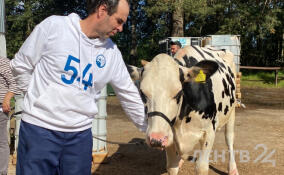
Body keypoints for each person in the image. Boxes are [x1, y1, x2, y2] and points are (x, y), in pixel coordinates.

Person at [10, 0, 146, 174]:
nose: (120, 28)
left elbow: (129, 94)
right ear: (102, 10)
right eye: (119, 21)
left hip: (79, 139)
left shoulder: (112, 54)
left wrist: (150, 129)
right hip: (39, 131)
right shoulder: (55, 27)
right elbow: (21, 65)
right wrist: (35, 98)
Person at [0, 56, 20, 175]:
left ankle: (2, 171)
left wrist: (7, 99)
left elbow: (16, 82)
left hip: (1, 108)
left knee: (0, 141)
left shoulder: (2, 62)